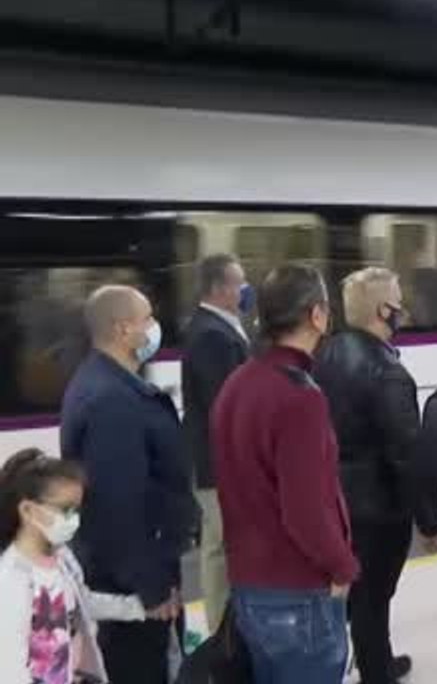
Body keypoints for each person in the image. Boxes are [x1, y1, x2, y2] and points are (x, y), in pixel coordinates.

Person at [212, 264, 360, 683]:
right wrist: (343, 566)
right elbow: (306, 510)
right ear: (317, 315)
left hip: (249, 586)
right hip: (297, 593)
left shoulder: (238, 383)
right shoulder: (300, 398)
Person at [60, 285, 192, 684]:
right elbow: (119, 504)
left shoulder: (103, 384)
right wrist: (151, 588)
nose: (155, 328)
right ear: (122, 329)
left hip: (130, 577)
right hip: (132, 586)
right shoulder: (113, 401)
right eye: (148, 319)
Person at [313, 268, 418, 684]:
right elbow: (406, 453)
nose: (402, 310)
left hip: (337, 499)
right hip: (380, 505)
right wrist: (429, 515)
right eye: (397, 301)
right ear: (382, 310)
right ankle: (378, 672)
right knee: (375, 595)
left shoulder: (326, 355)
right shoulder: (387, 371)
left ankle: (379, 658)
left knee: (360, 595)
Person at [0, 449, 165, 684]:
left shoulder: (63, 558)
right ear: (27, 510)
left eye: (76, 510)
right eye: (65, 509)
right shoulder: (12, 582)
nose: (73, 520)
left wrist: (137, 608)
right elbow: (10, 668)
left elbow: (82, 603)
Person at [181, 254, 251, 635]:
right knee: (232, 547)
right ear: (220, 288)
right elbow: (225, 405)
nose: (245, 289)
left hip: (215, 465)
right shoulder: (211, 334)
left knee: (215, 551)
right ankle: (229, 638)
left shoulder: (220, 327)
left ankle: (219, 630)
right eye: (240, 282)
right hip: (222, 466)